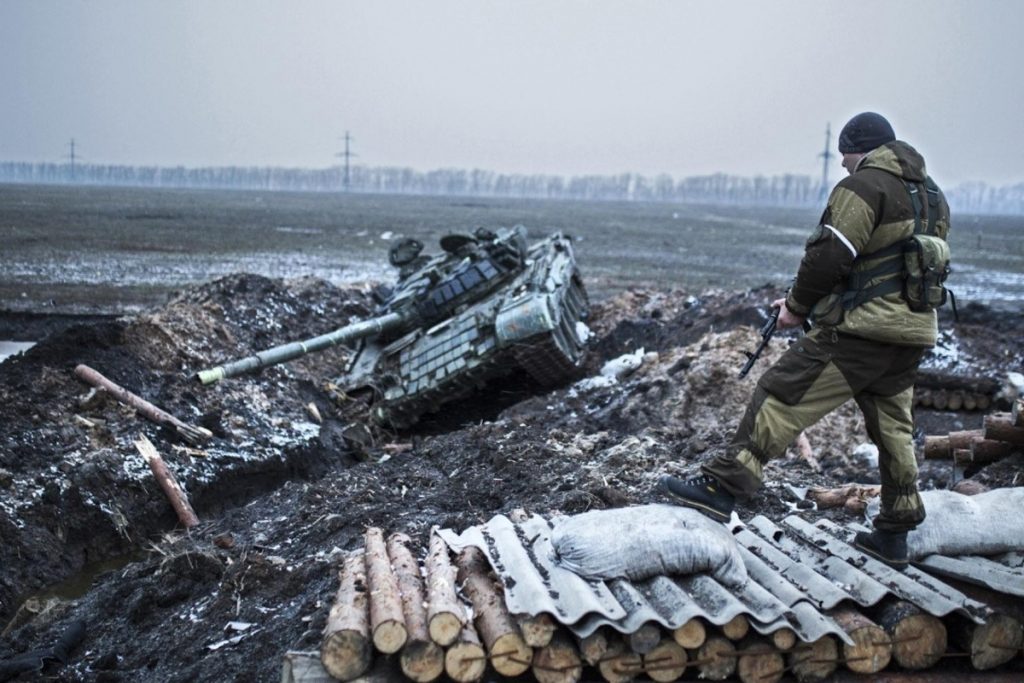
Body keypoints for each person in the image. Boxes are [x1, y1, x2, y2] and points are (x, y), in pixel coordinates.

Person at [659, 112, 951, 569]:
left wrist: (796, 306)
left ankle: (722, 489)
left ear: (862, 149)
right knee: (893, 428)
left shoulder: (864, 187)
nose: (841, 165)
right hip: (911, 334)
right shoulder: (932, 196)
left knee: (781, 393)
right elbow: (891, 267)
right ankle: (896, 529)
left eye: (844, 154)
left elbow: (830, 254)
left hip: (862, 333)